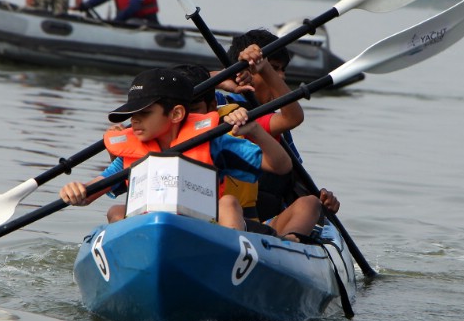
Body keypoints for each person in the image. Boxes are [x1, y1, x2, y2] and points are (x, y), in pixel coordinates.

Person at [58, 68, 291, 233]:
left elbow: (281, 166)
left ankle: (227, 265)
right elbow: (92, 192)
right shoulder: (131, 153)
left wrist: (256, 132)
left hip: (206, 232)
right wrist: (76, 191)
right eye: (132, 115)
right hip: (152, 235)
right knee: (117, 212)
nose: (134, 122)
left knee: (228, 203)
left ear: (176, 114)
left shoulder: (213, 142)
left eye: (145, 113)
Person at [171, 63, 327, 242]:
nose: (184, 119)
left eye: (193, 110)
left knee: (309, 203)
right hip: (178, 222)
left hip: (241, 223)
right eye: (175, 111)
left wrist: (254, 130)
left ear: (212, 106)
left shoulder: (231, 123)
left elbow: (290, 125)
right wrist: (218, 79)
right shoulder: (149, 128)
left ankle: (288, 244)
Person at [224, 30, 342, 233]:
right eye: (275, 69)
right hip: (224, 218)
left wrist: (322, 197)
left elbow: (294, 180)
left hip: (269, 225)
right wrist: (225, 78)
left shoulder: (278, 125)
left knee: (310, 202)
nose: (282, 77)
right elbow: (185, 85)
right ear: (242, 72)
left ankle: (290, 241)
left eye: (281, 70)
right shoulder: (221, 107)